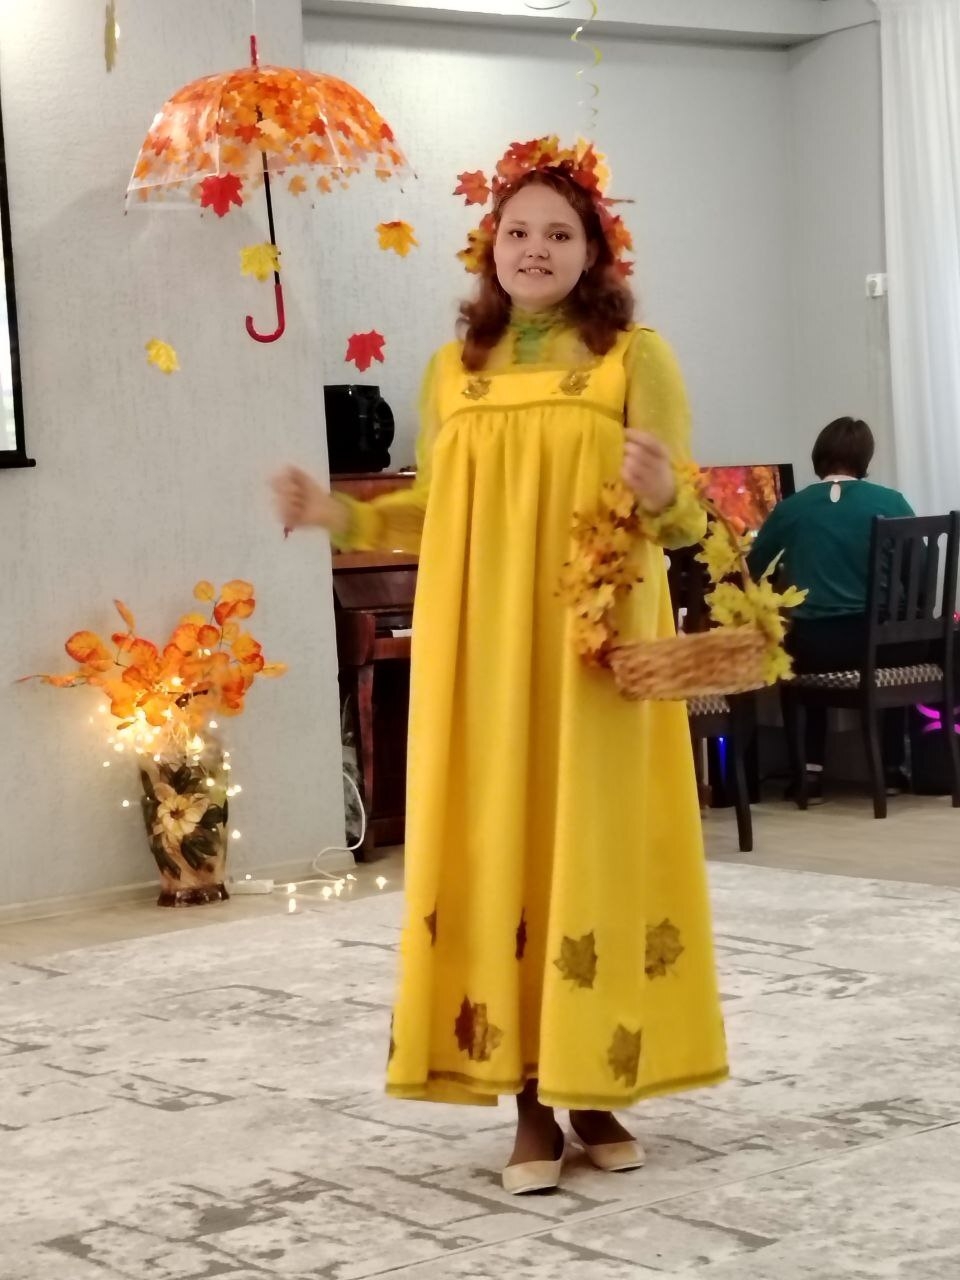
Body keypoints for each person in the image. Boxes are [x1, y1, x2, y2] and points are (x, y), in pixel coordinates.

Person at [273, 138, 727, 1194]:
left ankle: (594, 1082)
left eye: (558, 233)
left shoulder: (635, 358)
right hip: (482, 645)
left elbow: (686, 516)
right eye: (516, 231)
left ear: (593, 251)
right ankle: (527, 1100)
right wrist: (337, 513)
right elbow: (433, 508)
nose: (534, 248)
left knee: (593, 847)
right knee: (498, 844)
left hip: (596, 648)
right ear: (491, 248)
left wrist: (664, 490)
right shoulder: (454, 370)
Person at [747, 417, 915, 798]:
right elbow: (915, 570)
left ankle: (808, 771)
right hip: (886, 645)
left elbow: (751, 569)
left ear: (819, 456)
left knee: (793, 653)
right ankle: (892, 767)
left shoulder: (792, 508)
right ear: (865, 458)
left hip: (819, 646)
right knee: (905, 643)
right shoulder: (892, 502)